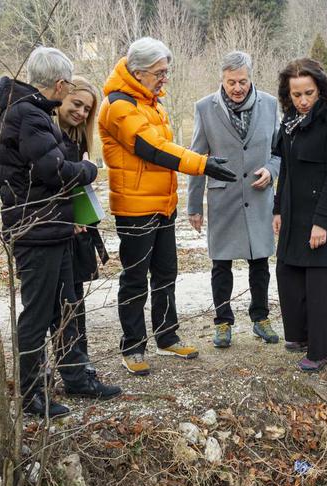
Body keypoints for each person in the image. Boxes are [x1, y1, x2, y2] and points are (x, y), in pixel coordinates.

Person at [0, 46, 121, 418]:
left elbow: (59, 158)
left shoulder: (35, 112)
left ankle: (76, 376)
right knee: (37, 313)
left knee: (67, 306)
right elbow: (55, 169)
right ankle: (31, 394)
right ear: (60, 84)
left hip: (54, 227)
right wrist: (89, 171)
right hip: (36, 231)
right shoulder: (26, 114)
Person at [99, 37, 237, 376]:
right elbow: (152, 147)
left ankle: (166, 335)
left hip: (162, 203)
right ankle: (132, 347)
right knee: (134, 279)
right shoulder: (118, 106)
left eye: (166, 72)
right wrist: (201, 164)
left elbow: (164, 147)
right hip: (135, 207)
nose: (165, 78)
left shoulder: (151, 103)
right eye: (160, 73)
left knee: (165, 273)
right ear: (139, 72)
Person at [187, 51, 281, 349]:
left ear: (250, 78)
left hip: (258, 194)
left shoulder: (269, 104)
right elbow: (196, 158)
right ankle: (223, 322)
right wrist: (193, 206)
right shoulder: (205, 108)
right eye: (231, 82)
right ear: (222, 80)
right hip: (222, 198)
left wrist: (271, 169)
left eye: (242, 81)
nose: (237, 88)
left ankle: (260, 317)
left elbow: (279, 151)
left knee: (260, 262)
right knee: (221, 264)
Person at [272, 58, 327, 372]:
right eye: (296, 95)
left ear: (320, 89)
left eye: (308, 93)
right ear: (288, 94)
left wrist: (322, 222)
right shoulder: (290, 122)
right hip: (293, 213)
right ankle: (300, 335)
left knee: (320, 286)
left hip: (323, 214)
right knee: (289, 275)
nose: (303, 100)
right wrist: (278, 208)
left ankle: (322, 349)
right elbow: (287, 171)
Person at [56, 75, 109, 370]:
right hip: (56, 228)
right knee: (59, 301)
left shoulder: (79, 140)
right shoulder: (49, 137)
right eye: (77, 104)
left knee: (76, 299)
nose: (81, 113)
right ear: (61, 95)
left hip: (80, 230)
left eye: (87, 109)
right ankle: (68, 363)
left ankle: (80, 360)